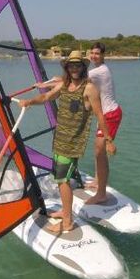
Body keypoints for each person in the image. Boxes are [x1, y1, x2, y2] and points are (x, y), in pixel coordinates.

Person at [18, 50, 116, 235]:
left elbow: (100, 115)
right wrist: (29, 101)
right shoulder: (65, 84)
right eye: (71, 65)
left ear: (83, 67)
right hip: (59, 139)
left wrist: (108, 140)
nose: (74, 68)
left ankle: (68, 222)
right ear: (67, 67)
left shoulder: (89, 88)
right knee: (60, 178)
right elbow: (46, 97)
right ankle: (65, 211)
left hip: (72, 143)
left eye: (78, 65)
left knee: (62, 181)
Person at [83, 41, 122, 205]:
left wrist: (47, 84)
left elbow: (72, 79)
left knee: (100, 152)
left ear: (103, 55)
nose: (94, 56)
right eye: (92, 53)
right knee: (98, 151)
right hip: (105, 115)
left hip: (110, 115)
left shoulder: (100, 71)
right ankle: (98, 182)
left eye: (97, 53)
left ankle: (101, 194)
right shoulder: (97, 70)